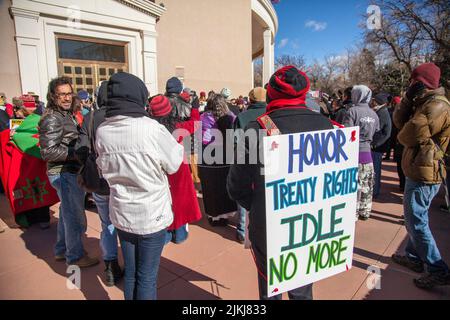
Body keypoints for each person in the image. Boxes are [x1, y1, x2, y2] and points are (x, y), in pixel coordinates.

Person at [228, 66, 333, 300]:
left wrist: (257, 206)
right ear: (303, 93)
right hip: (312, 224)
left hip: (269, 225)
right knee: (302, 288)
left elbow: (236, 186)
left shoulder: (258, 128)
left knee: (269, 289)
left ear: (272, 94)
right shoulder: (326, 125)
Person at [95, 72, 184, 300]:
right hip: (151, 213)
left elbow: (103, 170)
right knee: (146, 277)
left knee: (133, 273)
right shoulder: (151, 129)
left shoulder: (103, 131)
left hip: (123, 212)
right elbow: (174, 163)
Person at [391, 62, 450, 289]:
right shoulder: (423, 102)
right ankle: (413, 258)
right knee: (415, 218)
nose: (409, 85)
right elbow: (399, 123)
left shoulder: (435, 106)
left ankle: (437, 269)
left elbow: (405, 136)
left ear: (421, 83)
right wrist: (406, 99)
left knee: (416, 222)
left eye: (412, 82)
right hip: (418, 168)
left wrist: (409, 109)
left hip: (424, 173)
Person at [38, 76, 99, 267]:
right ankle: (75, 257)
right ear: (52, 96)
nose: (66, 98)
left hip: (68, 171)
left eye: (68, 94)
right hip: (64, 173)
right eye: (61, 95)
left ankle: (61, 250)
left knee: (67, 212)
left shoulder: (65, 115)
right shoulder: (52, 118)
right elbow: (47, 151)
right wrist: (78, 153)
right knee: (74, 217)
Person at [75, 81, 123, 287]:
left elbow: (81, 149)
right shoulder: (121, 117)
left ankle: (111, 266)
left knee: (107, 225)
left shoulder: (90, 117)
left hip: (100, 182)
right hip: (120, 180)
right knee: (126, 226)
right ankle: (128, 264)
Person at [148, 94, 202, 244]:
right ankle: (179, 234)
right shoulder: (177, 128)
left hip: (158, 169)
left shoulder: (148, 131)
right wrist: (195, 109)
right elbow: (196, 123)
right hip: (178, 168)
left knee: (163, 200)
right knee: (180, 201)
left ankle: (165, 234)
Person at [232, 87, 267, 244]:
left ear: (251, 100)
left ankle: (242, 231)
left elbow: (236, 141)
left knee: (244, 194)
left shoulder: (242, 116)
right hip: (267, 161)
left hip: (246, 161)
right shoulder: (269, 116)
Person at [342, 85, 380, 221]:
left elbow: (346, 132)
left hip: (354, 154)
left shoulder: (352, 111)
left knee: (354, 185)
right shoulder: (374, 114)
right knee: (367, 185)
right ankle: (365, 211)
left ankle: (354, 214)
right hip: (368, 154)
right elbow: (377, 132)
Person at [199, 94, 237, 226]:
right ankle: (225, 215)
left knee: (210, 187)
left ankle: (213, 216)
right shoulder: (230, 117)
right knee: (224, 186)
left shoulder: (202, 118)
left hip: (207, 157)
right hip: (225, 156)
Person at [370, 93, 392, 199]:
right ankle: (374, 190)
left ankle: (375, 191)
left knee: (375, 170)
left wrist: (375, 144)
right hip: (377, 146)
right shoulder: (380, 111)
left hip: (377, 147)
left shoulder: (382, 113)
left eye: (374, 100)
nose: (372, 101)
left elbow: (385, 133)